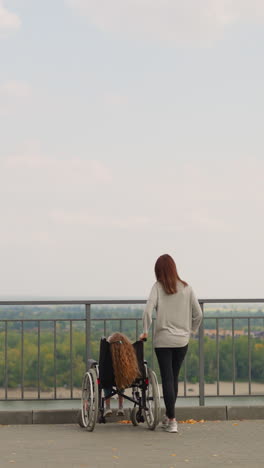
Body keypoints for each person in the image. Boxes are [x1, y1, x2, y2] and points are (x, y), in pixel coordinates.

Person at [139, 254, 202, 433]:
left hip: (163, 340)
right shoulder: (187, 288)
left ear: (158, 271)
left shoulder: (158, 287)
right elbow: (199, 315)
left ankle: (172, 419)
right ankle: (169, 417)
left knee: (167, 378)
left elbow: (147, 311)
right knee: (174, 377)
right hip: (182, 340)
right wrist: (192, 331)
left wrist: (145, 330)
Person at [103, 332, 140, 417]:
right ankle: (121, 407)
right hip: (126, 377)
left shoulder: (107, 356)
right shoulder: (129, 356)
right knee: (122, 378)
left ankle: (108, 407)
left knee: (107, 381)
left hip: (108, 378)